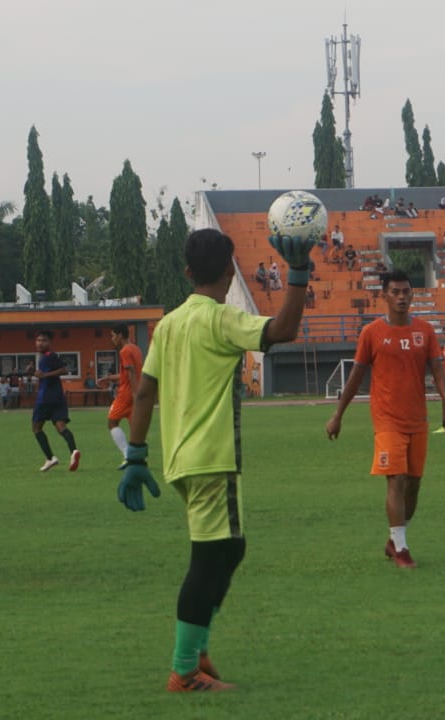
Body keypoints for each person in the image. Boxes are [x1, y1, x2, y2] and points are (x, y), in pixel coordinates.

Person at [117, 227, 315, 692]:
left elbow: (144, 390)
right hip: (212, 458)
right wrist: (300, 272)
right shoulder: (221, 319)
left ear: (187, 272)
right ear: (230, 269)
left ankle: (198, 648)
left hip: (182, 460)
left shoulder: (167, 325)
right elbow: (283, 330)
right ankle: (185, 670)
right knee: (208, 560)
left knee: (231, 548)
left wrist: (137, 455)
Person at [326, 269, 445, 570]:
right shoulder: (371, 333)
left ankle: (394, 539)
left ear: (413, 295)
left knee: (414, 487)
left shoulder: (424, 331)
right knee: (395, 479)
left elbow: (438, 371)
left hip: (417, 419)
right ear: (383, 295)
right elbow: (356, 376)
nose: (401, 297)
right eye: (395, 292)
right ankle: (401, 550)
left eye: (406, 292)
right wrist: (338, 415)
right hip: (386, 420)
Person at [28, 330, 80, 471]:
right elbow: (44, 375)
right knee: (61, 427)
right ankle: (74, 451)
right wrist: (33, 372)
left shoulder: (50, 356)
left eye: (43, 340)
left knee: (36, 428)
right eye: (38, 340)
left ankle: (51, 458)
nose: (40, 343)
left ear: (50, 343)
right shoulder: (44, 358)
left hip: (45, 399)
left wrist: (44, 374)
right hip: (58, 397)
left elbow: (63, 370)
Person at [96, 324, 144, 469]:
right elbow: (128, 372)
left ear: (120, 335)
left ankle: (127, 455)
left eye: (113, 335)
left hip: (126, 393)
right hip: (134, 391)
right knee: (134, 427)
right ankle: (137, 457)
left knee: (112, 422)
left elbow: (131, 373)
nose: (112, 339)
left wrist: (134, 394)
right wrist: (109, 378)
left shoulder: (124, 351)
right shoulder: (135, 348)